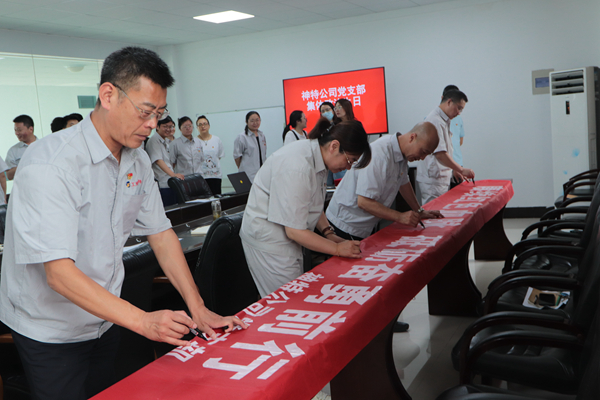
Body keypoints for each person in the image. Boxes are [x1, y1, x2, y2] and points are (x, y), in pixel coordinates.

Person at [0, 46, 246, 400]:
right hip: (51, 329)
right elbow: (58, 274)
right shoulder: (51, 163)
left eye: (159, 113)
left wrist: (198, 307)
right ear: (108, 95)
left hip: (106, 318)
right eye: (145, 112)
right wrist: (143, 321)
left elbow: (160, 233)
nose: (153, 124)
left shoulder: (137, 160)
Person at [241, 117, 372, 298]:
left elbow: (311, 202)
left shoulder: (319, 158)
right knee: (288, 302)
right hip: (269, 242)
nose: (348, 168)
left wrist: (328, 233)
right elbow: (294, 231)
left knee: (295, 295)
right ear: (334, 146)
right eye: (350, 160)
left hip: (288, 237)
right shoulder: (298, 165)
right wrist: (336, 249)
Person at [326, 122, 443, 240]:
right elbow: (364, 202)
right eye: (423, 152)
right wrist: (400, 217)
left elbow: (403, 182)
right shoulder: (379, 154)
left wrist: (419, 210)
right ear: (412, 138)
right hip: (344, 224)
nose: (422, 158)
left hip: (363, 226)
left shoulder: (402, 154)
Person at [416, 89, 475, 204]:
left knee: (441, 210)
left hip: (439, 177)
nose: (459, 113)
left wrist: (454, 169)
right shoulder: (435, 120)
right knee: (434, 211)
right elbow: (440, 154)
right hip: (433, 180)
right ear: (449, 102)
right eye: (459, 108)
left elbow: (446, 150)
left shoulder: (443, 119)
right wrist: (461, 169)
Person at [145, 115, 183, 206]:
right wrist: (173, 175)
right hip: (162, 184)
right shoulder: (154, 140)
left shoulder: (165, 141)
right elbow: (158, 161)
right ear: (157, 127)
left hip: (170, 183)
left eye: (170, 127)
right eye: (165, 126)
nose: (168, 129)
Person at [233, 111, 266, 183]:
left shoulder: (262, 135)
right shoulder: (242, 137)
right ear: (246, 122)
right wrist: (243, 168)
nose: (255, 123)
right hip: (248, 174)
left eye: (257, 120)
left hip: (261, 173)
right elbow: (237, 157)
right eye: (252, 121)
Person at [196, 115, 225, 195]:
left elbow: (219, 156)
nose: (203, 126)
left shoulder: (216, 140)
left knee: (216, 198)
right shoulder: (195, 141)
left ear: (209, 125)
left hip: (215, 176)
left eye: (205, 124)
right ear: (197, 127)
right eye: (200, 124)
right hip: (201, 177)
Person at [6, 114, 37, 180]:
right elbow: (8, 175)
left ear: (31, 129)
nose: (16, 133)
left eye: (19, 130)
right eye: (15, 130)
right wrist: (25, 165)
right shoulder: (13, 151)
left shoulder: (43, 145)